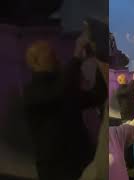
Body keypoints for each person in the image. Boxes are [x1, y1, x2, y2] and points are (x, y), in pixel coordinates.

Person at [24, 35, 107, 179]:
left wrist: (101, 62)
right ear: (35, 61)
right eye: (48, 54)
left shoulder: (61, 87)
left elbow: (97, 95)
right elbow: (60, 92)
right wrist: (76, 58)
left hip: (80, 163)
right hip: (56, 169)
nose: (55, 57)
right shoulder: (34, 91)